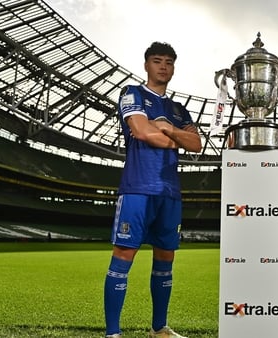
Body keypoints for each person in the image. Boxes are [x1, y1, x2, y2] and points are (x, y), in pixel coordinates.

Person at [103, 42, 202, 338]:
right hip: (137, 187)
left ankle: (159, 328)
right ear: (146, 65)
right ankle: (112, 333)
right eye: (157, 61)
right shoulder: (132, 93)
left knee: (166, 258)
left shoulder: (177, 109)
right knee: (123, 254)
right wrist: (175, 137)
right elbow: (141, 131)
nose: (163, 66)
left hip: (169, 192)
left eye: (169, 62)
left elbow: (196, 145)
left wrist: (168, 128)